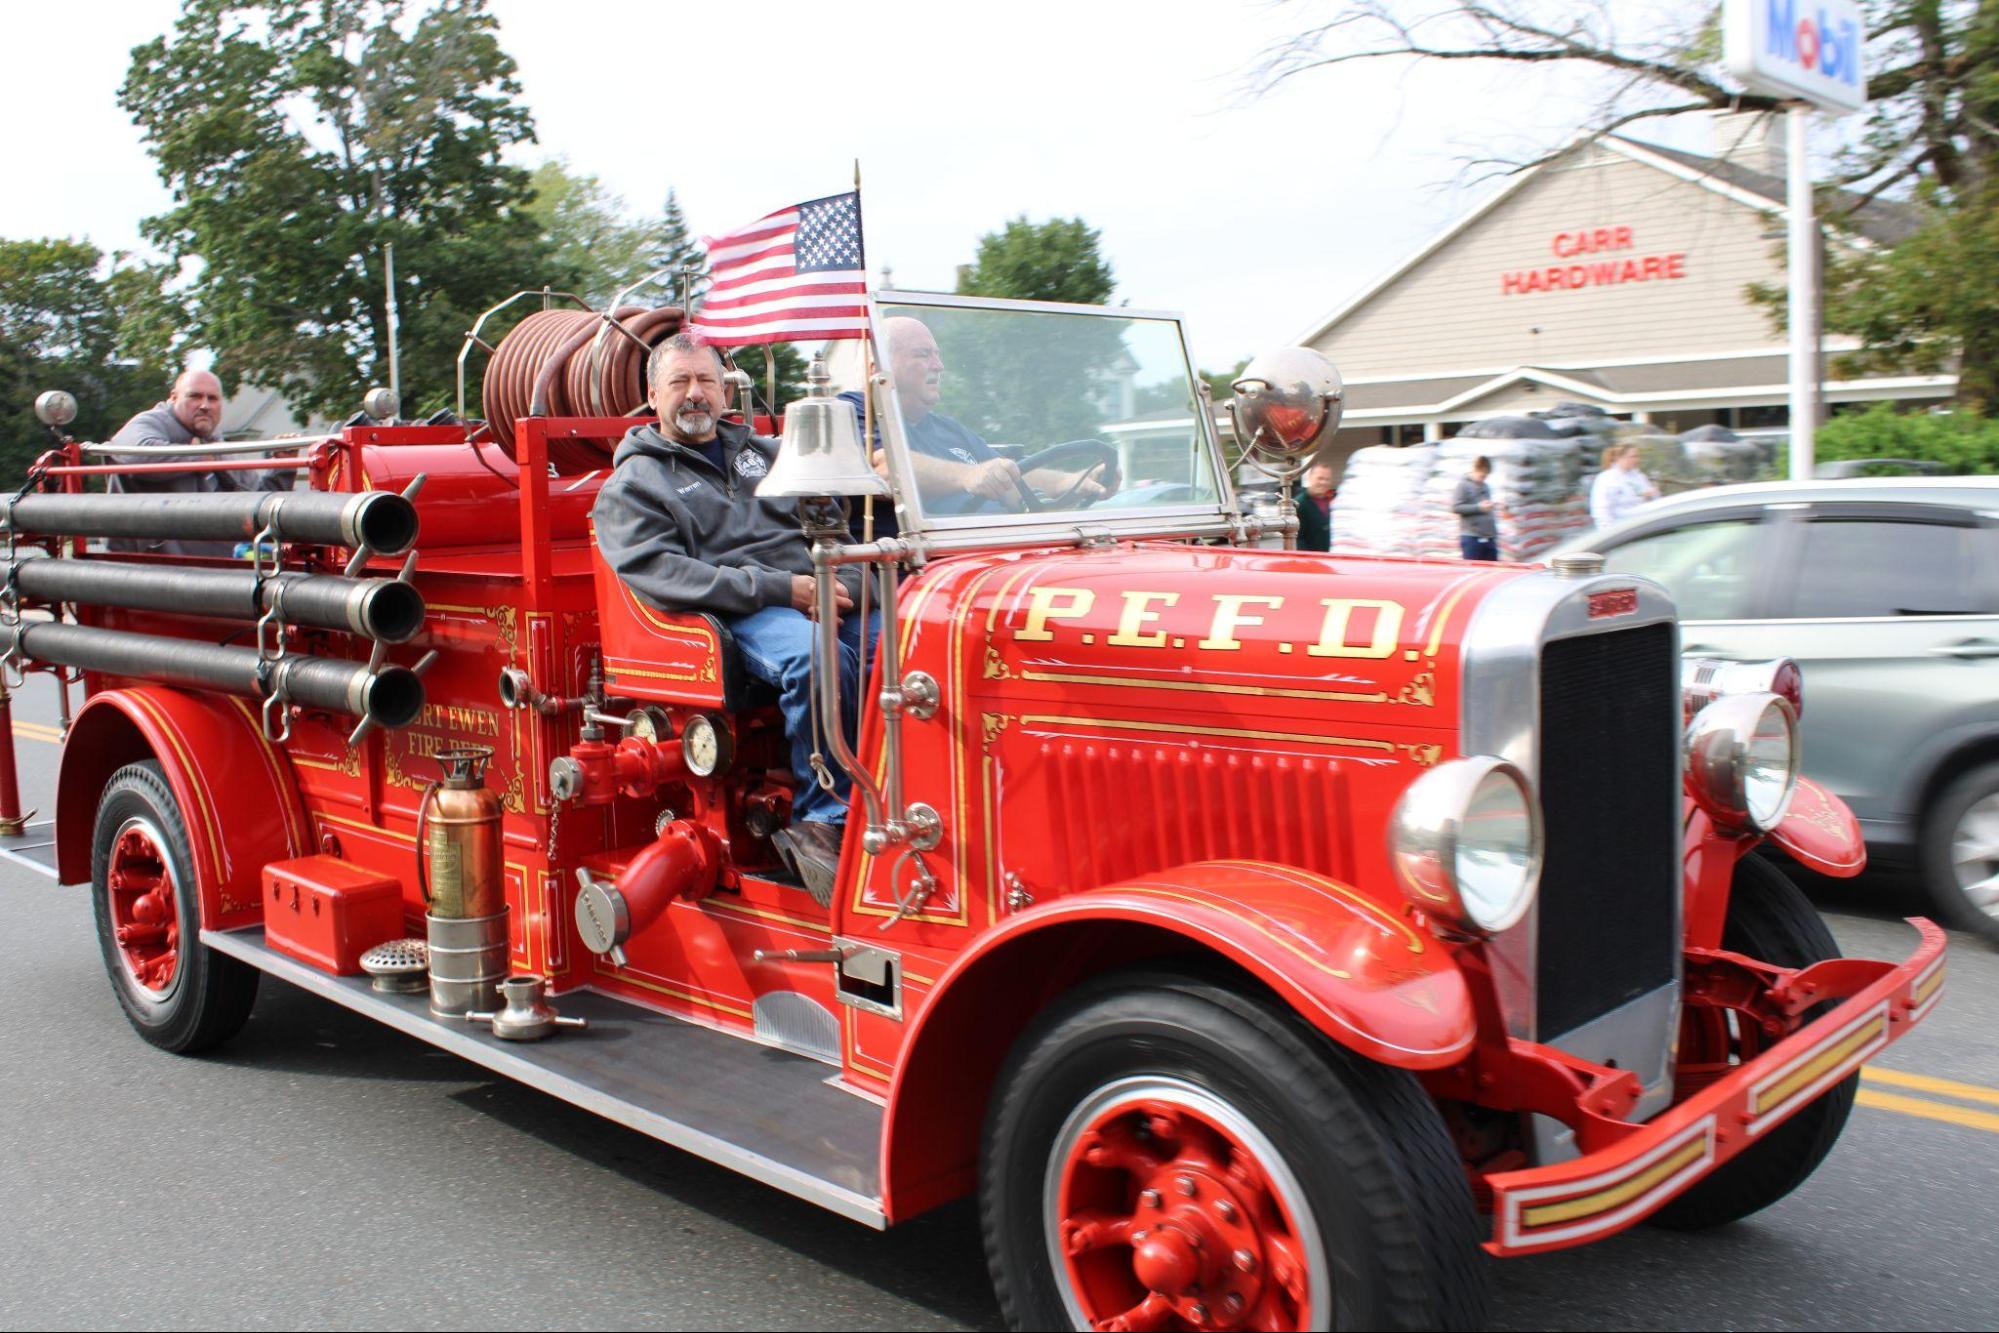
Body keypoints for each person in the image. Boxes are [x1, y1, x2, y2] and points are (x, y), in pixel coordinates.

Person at [592, 333, 870, 901]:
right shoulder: (633, 485)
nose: (695, 393)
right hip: (738, 613)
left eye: (706, 381)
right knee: (816, 657)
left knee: (917, 642)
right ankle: (824, 820)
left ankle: (907, 796)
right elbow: (665, 574)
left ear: (725, 392)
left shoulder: (772, 455)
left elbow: (839, 535)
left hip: (818, 594)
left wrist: (843, 586)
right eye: (679, 382)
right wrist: (783, 590)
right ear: (653, 395)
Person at [841, 315, 1117, 517]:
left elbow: (1011, 478)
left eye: (937, 355)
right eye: (923, 355)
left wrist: (1072, 482)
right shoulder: (850, 412)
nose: (939, 365)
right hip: (915, 567)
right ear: (876, 368)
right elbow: (884, 468)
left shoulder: (949, 430)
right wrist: (970, 475)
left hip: (987, 551)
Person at [105, 368, 293, 556]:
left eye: (212, 398)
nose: (205, 405)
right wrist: (202, 456)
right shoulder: (149, 422)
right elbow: (137, 455)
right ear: (174, 398)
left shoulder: (214, 442)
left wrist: (283, 465)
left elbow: (259, 497)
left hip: (219, 565)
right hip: (154, 566)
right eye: (195, 396)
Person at [1589, 443, 1660, 529]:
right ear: (1620, 458)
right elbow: (1601, 509)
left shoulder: (1639, 476)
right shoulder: (1607, 478)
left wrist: (1651, 494)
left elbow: (1653, 500)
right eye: (1633, 456)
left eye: (1637, 456)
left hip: (1643, 524)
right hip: (1622, 527)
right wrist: (1608, 530)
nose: (1636, 460)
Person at [1452, 455, 1500, 561]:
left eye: (1486, 476)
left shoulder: (1485, 486)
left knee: (1493, 569)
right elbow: (1456, 507)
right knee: (1473, 568)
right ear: (1475, 469)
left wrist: (1493, 505)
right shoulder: (1463, 485)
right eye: (1481, 475)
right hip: (1472, 538)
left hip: (1489, 537)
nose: (1483, 478)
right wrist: (1479, 507)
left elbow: (1485, 506)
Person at [1295, 461, 1335, 552]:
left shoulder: (1332, 502)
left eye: (1327, 479)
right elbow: (1298, 540)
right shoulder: (1299, 504)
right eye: (1320, 478)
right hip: (1312, 558)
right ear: (1310, 478)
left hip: (1333, 557)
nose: (1323, 482)